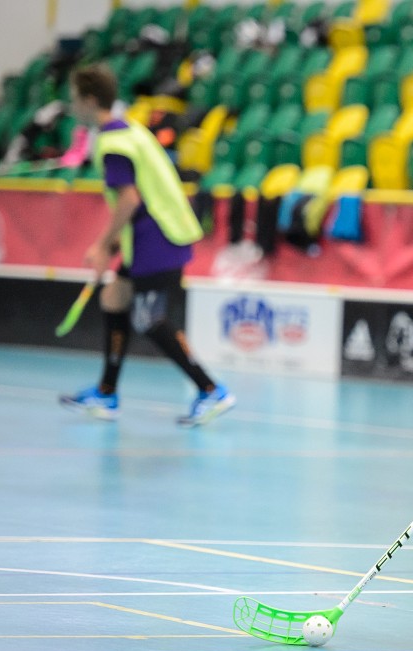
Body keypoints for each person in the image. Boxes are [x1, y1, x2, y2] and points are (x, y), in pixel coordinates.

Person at [58, 65, 235, 427]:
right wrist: (116, 243)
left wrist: (101, 245)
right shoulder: (130, 129)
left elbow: (129, 200)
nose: (72, 106)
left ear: (90, 100)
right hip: (149, 233)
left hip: (157, 236)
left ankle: (211, 390)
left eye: (75, 99)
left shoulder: (113, 145)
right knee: (114, 298)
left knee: (148, 319)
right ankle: (106, 394)